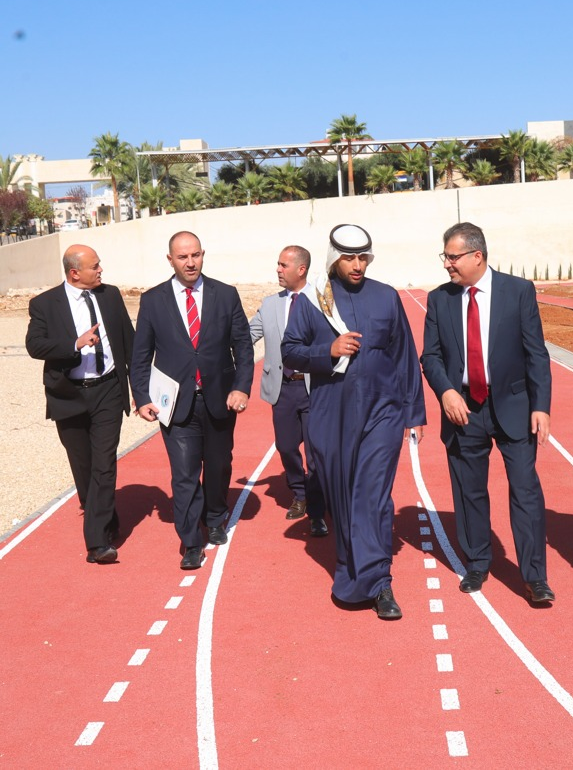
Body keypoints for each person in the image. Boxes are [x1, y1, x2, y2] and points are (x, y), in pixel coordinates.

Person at [281, 225, 425, 620]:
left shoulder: (387, 296)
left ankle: (379, 583)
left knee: (372, 496)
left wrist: (413, 412)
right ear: (334, 259)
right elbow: (289, 351)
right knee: (343, 498)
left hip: (383, 412)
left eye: (363, 257)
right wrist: (327, 350)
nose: (357, 265)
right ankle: (351, 572)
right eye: (349, 258)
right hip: (331, 413)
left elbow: (404, 355)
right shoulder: (313, 300)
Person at [421, 222, 555, 605]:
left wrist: (541, 406)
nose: (446, 264)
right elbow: (430, 356)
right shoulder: (439, 299)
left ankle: (534, 577)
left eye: (453, 257)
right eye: (445, 256)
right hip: (463, 407)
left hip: (513, 405)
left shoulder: (518, 291)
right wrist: (446, 391)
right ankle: (477, 562)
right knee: (469, 491)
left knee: (525, 490)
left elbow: (536, 353)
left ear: (477, 256)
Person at [130, 232, 254, 571]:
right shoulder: (153, 300)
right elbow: (140, 355)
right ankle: (191, 542)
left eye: (195, 255)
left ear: (203, 255)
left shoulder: (225, 294)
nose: (190, 263)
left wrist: (241, 387)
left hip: (220, 399)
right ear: (170, 259)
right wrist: (141, 397)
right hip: (175, 405)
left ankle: (214, 516)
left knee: (218, 465)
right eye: (183, 257)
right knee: (184, 474)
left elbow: (243, 346)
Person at [26, 245, 135, 564]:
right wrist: (74, 344)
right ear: (75, 273)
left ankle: (97, 543)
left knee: (104, 462)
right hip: (68, 395)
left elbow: (129, 341)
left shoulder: (110, 295)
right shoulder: (44, 304)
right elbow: (35, 346)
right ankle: (106, 518)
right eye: (94, 266)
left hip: (108, 390)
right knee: (83, 466)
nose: (101, 270)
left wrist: (141, 390)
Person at [249, 246, 328, 538]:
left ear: (301, 269)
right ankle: (300, 492)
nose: (278, 270)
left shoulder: (322, 302)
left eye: (284, 265)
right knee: (285, 447)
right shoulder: (270, 304)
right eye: (278, 264)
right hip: (282, 389)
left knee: (316, 453)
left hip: (315, 388)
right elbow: (247, 335)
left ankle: (317, 511)